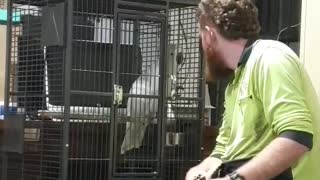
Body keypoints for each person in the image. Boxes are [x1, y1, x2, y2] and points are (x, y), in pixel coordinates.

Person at [186, 0, 320, 180]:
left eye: (200, 37)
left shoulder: (270, 58)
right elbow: (223, 150)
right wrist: (200, 171)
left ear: (209, 35)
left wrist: (234, 178)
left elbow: (297, 138)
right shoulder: (236, 80)